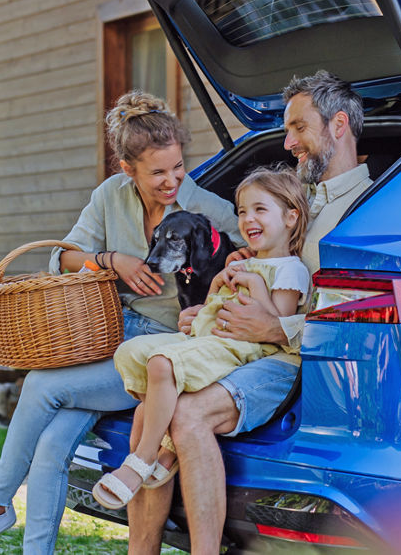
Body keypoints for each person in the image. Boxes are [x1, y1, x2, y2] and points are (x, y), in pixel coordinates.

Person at [0, 91, 240, 555]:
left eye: (178, 166)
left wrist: (213, 303)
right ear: (128, 169)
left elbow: (254, 259)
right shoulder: (110, 196)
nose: (173, 180)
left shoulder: (209, 210)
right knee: (51, 446)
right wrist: (111, 259)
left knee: (42, 386)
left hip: (157, 354)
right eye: (158, 172)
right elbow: (64, 259)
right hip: (105, 338)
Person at [126, 71, 373, 555]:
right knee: (148, 409)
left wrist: (277, 327)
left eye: (299, 128)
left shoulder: (367, 208)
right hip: (242, 350)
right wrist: (205, 314)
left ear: (338, 124)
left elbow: (354, 313)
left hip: (303, 362)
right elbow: (260, 273)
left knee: (189, 415)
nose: (288, 142)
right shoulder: (296, 199)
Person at [92, 167, 310, 509]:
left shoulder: (290, 269)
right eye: (241, 211)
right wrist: (219, 285)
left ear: (291, 217)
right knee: (131, 352)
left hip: (243, 347)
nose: (247, 218)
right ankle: (164, 445)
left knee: (163, 364)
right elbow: (212, 304)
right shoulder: (244, 261)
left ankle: (142, 462)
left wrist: (250, 282)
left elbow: (274, 326)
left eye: (259, 209)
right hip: (211, 335)